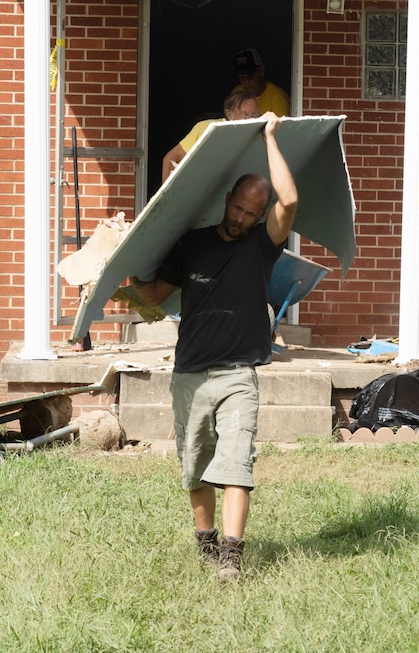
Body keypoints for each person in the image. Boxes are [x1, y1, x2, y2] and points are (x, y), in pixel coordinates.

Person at [131, 112, 297, 581]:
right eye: (238, 208)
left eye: (252, 213)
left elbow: (290, 198)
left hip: (239, 374)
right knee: (195, 465)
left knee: (237, 462)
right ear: (227, 200)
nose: (242, 218)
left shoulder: (263, 246)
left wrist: (269, 138)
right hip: (190, 374)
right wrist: (124, 274)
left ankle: (231, 554)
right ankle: (205, 543)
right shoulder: (193, 244)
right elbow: (156, 296)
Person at [160, 91, 259, 184]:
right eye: (245, 114)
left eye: (254, 115)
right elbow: (170, 159)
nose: (251, 119)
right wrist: (165, 199)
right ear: (229, 114)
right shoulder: (206, 128)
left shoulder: (259, 132)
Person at [231, 48, 290, 117]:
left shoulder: (277, 97)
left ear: (261, 71)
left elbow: (283, 127)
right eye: (242, 78)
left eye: (250, 76)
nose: (246, 82)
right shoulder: (237, 92)